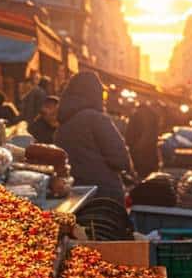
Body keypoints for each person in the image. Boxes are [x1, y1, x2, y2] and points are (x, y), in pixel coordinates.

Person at [54, 71, 134, 203]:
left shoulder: (62, 125)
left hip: (75, 196)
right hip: (104, 195)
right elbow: (121, 160)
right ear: (94, 94)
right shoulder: (96, 119)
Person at [125, 98, 161, 178]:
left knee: (143, 176)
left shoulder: (142, 114)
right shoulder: (149, 114)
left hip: (143, 155)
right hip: (147, 154)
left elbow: (147, 134)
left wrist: (137, 148)